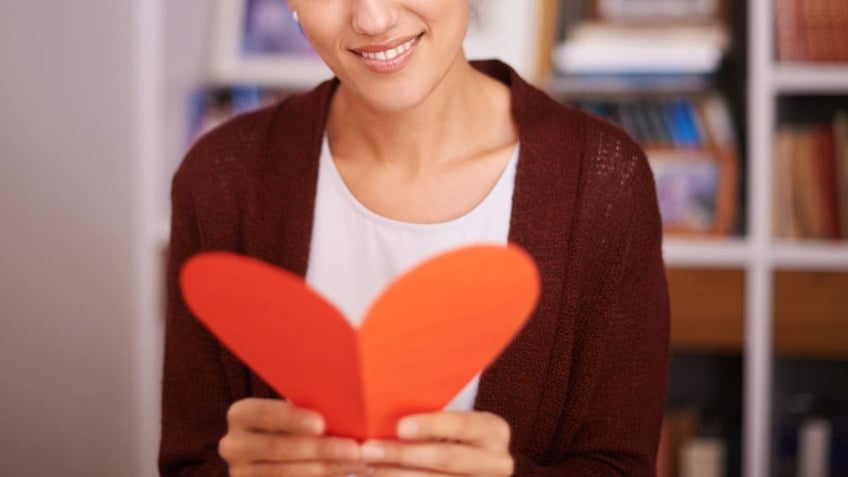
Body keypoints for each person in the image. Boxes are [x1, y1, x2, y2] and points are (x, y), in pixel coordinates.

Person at [159, 1, 670, 476]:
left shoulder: (603, 183)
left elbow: (621, 467)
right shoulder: (221, 181)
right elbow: (189, 462)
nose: (374, 19)